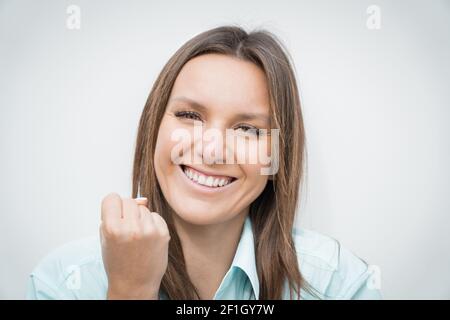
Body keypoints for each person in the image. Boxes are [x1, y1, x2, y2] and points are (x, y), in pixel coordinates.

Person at [26, 25, 382, 300]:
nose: (212, 151)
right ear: (154, 129)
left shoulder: (338, 283)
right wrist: (129, 291)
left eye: (247, 129)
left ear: (277, 157)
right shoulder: (63, 281)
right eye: (189, 115)